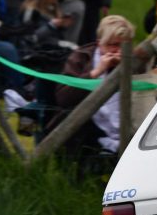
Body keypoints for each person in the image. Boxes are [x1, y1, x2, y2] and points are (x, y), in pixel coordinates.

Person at [55, 14, 135, 156]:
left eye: (123, 44)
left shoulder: (135, 60)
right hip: (86, 128)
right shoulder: (81, 57)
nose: (118, 50)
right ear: (99, 43)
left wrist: (128, 67)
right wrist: (96, 72)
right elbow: (63, 98)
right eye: (112, 44)